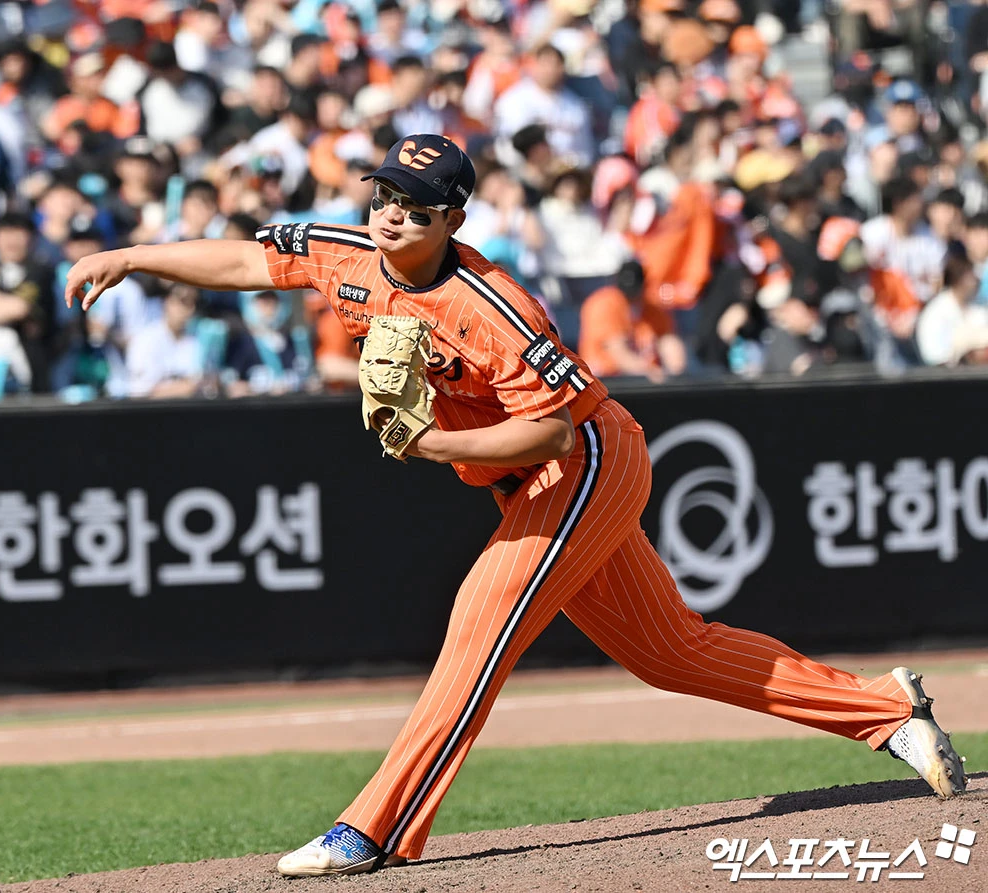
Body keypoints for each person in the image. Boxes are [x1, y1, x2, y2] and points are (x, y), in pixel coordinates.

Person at [64, 133, 968, 879]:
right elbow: (249, 259)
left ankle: (374, 826)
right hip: (526, 474)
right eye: (383, 193)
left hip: (584, 461)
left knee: (480, 617)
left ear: (451, 220)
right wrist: (134, 255)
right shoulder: (348, 254)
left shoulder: (496, 308)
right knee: (672, 652)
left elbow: (547, 437)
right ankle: (885, 710)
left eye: (413, 206)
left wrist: (433, 445)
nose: (389, 214)